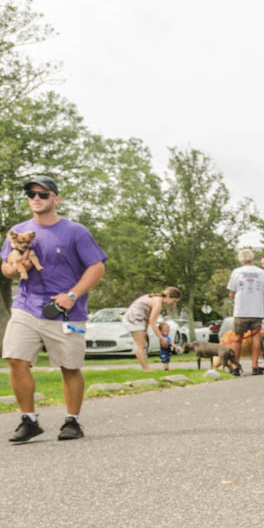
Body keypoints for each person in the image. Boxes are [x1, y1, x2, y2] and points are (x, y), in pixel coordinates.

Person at [1, 175, 107, 442]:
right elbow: (5, 268)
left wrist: (72, 295)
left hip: (66, 311)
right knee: (15, 358)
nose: (36, 198)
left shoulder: (75, 231)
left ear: (56, 199)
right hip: (26, 306)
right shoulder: (18, 231)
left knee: (69, 366)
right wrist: (17, 269)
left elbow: (97, 267)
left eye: (43, 194)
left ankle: (73, 421)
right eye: (31, 194)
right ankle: (29, 420)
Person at [227, 248, 264, 376]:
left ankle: (236, 367)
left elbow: (231, 293)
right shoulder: (261, 273)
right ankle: (255, 366)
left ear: (240, 259)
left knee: (238, 338)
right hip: (256, 311)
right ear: (253, 258)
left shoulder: (236, 272)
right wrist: (262, 303)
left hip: (241, 311)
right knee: (256, 338)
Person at [122, 286, 182, 371]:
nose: (174, 304)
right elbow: (152, 323)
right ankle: (146, 369)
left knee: (142, 345)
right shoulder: (158, 303)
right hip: (133, 319)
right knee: (141, 346)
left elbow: (148, 318)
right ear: (168, 296)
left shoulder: (155, 298)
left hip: (137, 319)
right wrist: (162, 338)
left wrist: (145, 330)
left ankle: (146, 368)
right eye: (174, 301)